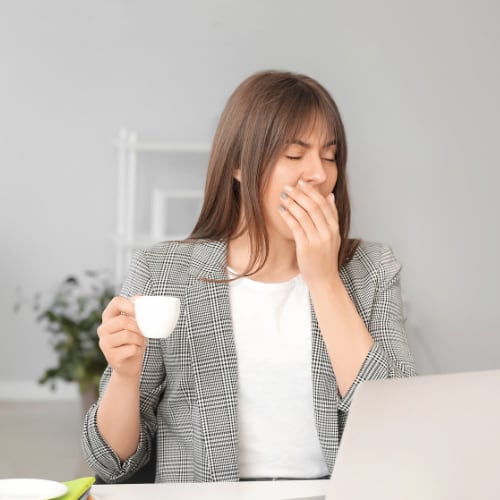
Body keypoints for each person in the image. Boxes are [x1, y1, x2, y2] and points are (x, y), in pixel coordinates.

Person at [82, 70, 417, 483]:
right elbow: (112, 463)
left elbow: (400, 424)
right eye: (295, 155)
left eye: (329, 156)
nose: (318, 173)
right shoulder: (162, 272)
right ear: (238, 164)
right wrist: (125, 375)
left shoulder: (371, 268)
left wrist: (325, 280)